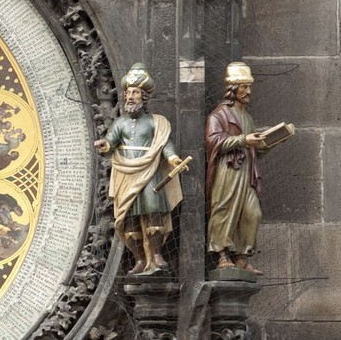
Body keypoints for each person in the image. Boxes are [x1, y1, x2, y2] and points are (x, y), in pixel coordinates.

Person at [95, 64, 186, 275]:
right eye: (128, 93)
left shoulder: (156, 122)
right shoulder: (120, 123)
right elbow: (111, 140)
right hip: (126, 173)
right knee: (128, 216)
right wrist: (104, 145)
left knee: (154, 211)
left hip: (150, 172)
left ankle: (156, 255)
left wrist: (172, 158)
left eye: (135, 93)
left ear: (144, 97)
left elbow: (164, 143)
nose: (130, 97)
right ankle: (139, 259)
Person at [205, 62, 288, 275]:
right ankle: (222, 255)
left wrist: (272, 142)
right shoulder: (219, 115)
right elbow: (214, 142)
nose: (248, 91)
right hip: (228, 171)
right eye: (244, 86)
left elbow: (254, 150)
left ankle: (241, 257)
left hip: (247, 172)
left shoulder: (248, 118)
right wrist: (243, 139)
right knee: (225, 209)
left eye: (249, 86)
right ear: (233, 89)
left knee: (253, 213)